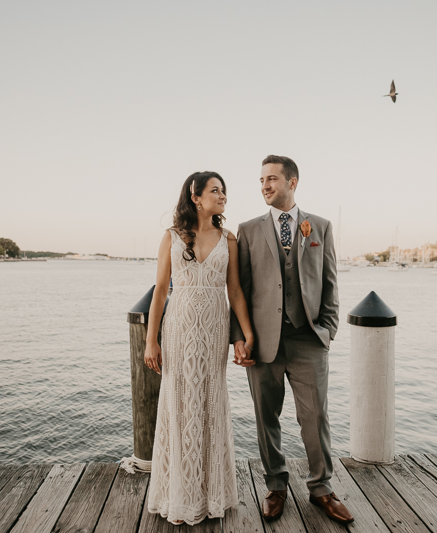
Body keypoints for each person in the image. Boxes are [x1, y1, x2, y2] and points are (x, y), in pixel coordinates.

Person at [231, 155, 354, 524]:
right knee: (265, 417)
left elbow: (330, 284)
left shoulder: (320, 226)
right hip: (262, 343)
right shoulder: (248, 229)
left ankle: (322, 489)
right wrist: (239, 338)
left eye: (272, 179)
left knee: (315, 418)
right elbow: (240, 290)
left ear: (292, 182)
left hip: (307, 341)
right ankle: (276, 486)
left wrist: (327, 331)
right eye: (261, 180)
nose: (265, 186)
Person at [144, 171, 256, 526]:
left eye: (224, 191)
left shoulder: (230, 239)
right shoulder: (172, 237)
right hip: (178, 328)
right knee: (179, 403)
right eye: (215, 190)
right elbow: (161, 290)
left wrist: (247, 333)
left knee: (209, 402)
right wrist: (152, 339)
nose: (223, 196)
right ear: (195, 195)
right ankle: (178, 494)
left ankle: (211, 495)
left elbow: (235, 291)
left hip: (213, 330)